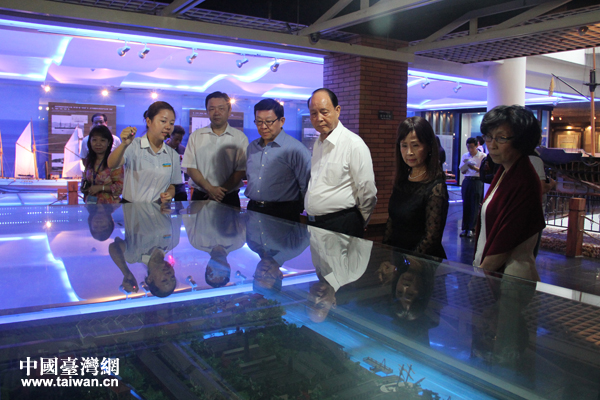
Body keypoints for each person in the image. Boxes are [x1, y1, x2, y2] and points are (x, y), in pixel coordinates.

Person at [473, 105, 546, 282]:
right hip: (497, 275)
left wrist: (478, 277)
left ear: (521, 140)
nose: (492, 145)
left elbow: (505, 241)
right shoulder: (505, 172)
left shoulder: (524, 180)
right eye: (489, 137)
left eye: (501, 138)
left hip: (511, 279)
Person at [304, 88, 377, 237]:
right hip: (315, 224)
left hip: (341, 224)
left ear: (337, 110)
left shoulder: (353, 144)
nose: (319, 118)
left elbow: (367, 190)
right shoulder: (318, 144)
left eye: (324, 112)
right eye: (313, 113)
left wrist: (358, 221)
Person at [382, 117, 448, 259]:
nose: (409, 152)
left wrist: (406, 262)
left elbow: (431, 238)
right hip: (397, 257)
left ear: (429, 146)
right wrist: (385, 256)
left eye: (415, 145)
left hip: (422, 262)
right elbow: (392, 220)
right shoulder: (403, 180)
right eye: (404, 145)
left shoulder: (436, 187)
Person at [246, 99, 311, 222]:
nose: (263, 126)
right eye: (259, 121)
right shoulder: (252, 147)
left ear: (282, 121)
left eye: (269, 121)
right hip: (253, 209)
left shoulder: (296, 149)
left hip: (283, 213)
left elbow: (306, 186)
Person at [182, 91, 248, 207]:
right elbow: (190, 167)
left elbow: (241, 170)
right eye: (212, 109)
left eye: (221, 108)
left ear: (229, 111)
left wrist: (219, 192)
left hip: (229, 197)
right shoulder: (196, 136)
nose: (216, 112)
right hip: (201, 196)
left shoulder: (240, 138)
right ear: (207, 111)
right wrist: (210, 189)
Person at [107, 101, 182, 203]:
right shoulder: (133, 146)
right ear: (149, 121)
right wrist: (124, 144)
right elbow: (111, 164)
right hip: (132, 208)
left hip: (157, 209)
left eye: (171, 123)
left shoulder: (173, 155)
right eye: (163, 121)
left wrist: (169, 194)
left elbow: (171, 186)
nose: (168, 127)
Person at [108, 202, 181, 298]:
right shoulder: (174, 242)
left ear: (150, 279)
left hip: (135, 196)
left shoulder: (133, 255)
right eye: (172, 277)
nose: (169, 274)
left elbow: (114, 247)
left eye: (164, 280)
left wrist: (126, 273)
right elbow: (177, 208)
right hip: (162, 194)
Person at [80, 125, 123, 204]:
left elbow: (120, 187)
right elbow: (85, 178)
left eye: (102, 140)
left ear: (109, 142)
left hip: (110, 206)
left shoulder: (114, 161)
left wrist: (100, 188)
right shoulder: (89, 160)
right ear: (90, 142)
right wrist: (84, 187)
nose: (98, 144)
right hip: (91, 206)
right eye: (94, 140)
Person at [459, 137, 485, 238]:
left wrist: (473, 167)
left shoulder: (482, 156)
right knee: (466, 204)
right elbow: (462, 171)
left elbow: (483, 171)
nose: (470, 149)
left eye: (472, 147)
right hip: (467, 180)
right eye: (468, 147)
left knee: (475, 205)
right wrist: (466, 165)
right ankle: (464, 228)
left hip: (477, 180)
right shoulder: (465, 155)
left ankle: (471, 228)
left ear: (476, 146)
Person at [166, 125, 188, 201]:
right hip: (165, 182)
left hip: (179, 182)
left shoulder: (183, 150)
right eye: (176, 139)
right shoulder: (163, 149)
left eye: (180, 140)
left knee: (182, 198)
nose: (178, 142)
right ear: (170, 136)